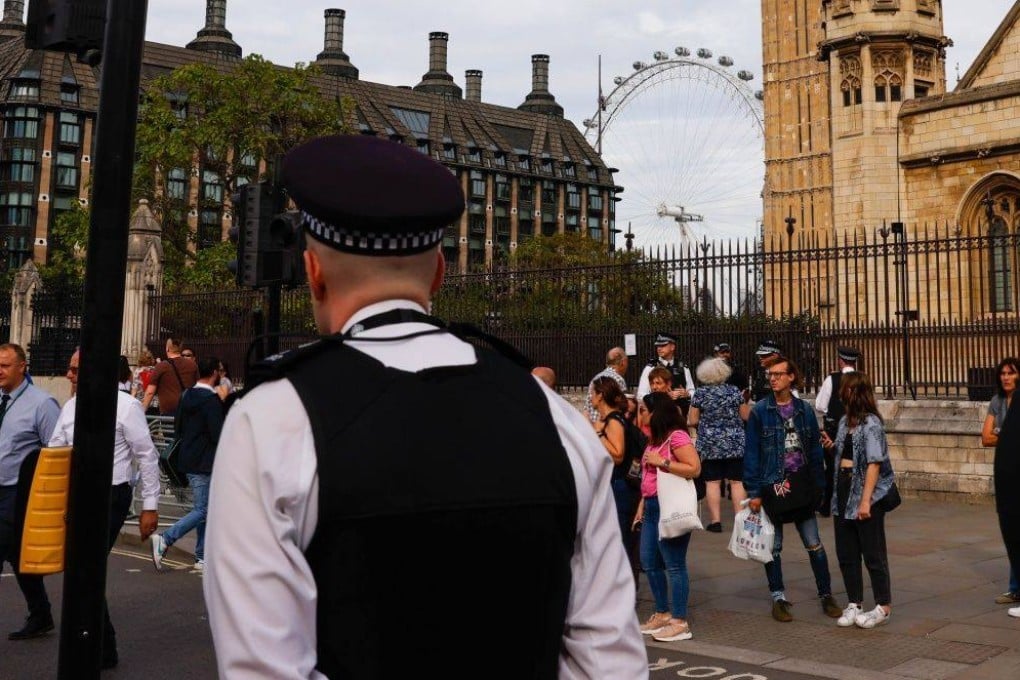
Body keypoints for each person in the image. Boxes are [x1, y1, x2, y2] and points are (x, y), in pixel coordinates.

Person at [203, 134, 645, 679]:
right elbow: (611, 662)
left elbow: (263, 670)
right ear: (439, 271)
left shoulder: (272, 420)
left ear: (313, 271)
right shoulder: (552, 417)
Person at [49, 349, 161, 668]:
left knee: (87, 566)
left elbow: (148, 456)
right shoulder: (70, 406)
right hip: (77, 497)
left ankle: (100, 646)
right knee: (82, 568)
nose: (69, 375)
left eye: (74, 369)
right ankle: (99, 644)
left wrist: (150, 507)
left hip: (111, 497)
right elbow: (57, 451)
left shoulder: (126, 408)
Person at [744, 355, 842, 623]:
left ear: (791, 377)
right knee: (773, 547)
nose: (773, 378)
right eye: (770, 375)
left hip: (800, 484)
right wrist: (753, 492)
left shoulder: (804, 410)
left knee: (814, 544)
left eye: (778, 374)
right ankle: (778, 598)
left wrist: (820, 486)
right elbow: (751, 453)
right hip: (771, 484)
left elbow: (813, 448)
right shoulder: (760, 411)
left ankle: (826, 595)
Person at [822, 372, 896, 629]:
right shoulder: (844, 422)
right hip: (842, 488)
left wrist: (866, 501)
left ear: (859, 392)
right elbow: (846, 455)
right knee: (847, 552)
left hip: (866, 491)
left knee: (873, 553)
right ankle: (855, 602)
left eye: (848, 390)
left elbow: (874, 463)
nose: (844, 395)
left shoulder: (871, 423)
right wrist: (833, 446)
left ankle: (883, 606)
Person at [0, 343, 60, 641]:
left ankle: (41, 614)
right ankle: (41, 613)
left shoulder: (42, 403)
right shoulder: (0, 399)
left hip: (18, 491)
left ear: (22, 366)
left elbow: (55, 450)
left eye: (5, 365)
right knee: (15, 553)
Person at [633, 392, 701, 643]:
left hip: (669, 506)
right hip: (651, 506)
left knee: (674, 564)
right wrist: (642, 503)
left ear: (656, 412)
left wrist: (662, 461)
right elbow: (648, 478)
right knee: (649, 561)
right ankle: (662, 612)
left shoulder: (676, 437)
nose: (639, 415)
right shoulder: (654, 439)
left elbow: (694, 468)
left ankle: (679, 621)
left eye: (643, 410)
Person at [151, 356, 225, 573]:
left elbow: (178, 426)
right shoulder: (211, 401)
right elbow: (218, 433)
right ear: (213, 374)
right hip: (205, 461)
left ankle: (201, 557)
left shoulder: (186, 395)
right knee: (203, 509)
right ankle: (165, 538)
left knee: (204, 508)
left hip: (187, 457)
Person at [688, 356, 749, 533]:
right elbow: (746, 416)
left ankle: (715, 521)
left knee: (712, 482)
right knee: (736, 482)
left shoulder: (700, 394)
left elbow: (692, 420)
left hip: (710, 443)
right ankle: (739, 520)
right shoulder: (734, 391)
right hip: (735, 442)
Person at [590, 376, 641, 574]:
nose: (591, 397)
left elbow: (618, 455)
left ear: (601, 396)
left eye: (593, 393)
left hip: (620, 485)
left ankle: (625, 584)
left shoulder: (614, 421)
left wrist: (598, 434)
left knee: (620, 536)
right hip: (614, 484)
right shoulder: (609, 420)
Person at [984, 357, 1020, 612]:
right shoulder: (997, 402)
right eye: (1003, 373)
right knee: (1010, 529)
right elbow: (985, 437)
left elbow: (995, 434)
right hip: (1006, 470)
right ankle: (1015, 588)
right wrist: (1006, 437)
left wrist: (1001, 433)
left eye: (1011, 373)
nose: (1006, 377)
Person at [816, 346, 861, 517]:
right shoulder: (861, 379)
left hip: (833, 430)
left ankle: (827, 504)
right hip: (856, 428)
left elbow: (820, 406)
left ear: (840, 360)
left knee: (832, 467)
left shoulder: (832, 379)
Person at [141, 337, 199, 416]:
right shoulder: (193, 365)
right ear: (180, 349)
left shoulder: (161, 366)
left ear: (167, 349)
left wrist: (142, 411)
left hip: (168, 411)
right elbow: (198, 387)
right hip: (188, 410)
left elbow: (150, 392)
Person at [636, 332, 695, 409]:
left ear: (672, 347)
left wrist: (687, 394)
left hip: (681, 415)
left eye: (663, 345)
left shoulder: (683, 367)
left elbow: (693, 391)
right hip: (660, 413)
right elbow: (641, 396)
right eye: (657, 346)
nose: (659, 348)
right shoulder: (651, 368)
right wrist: (664, 397)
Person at [585, 347, 628, 422]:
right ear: (623, 362)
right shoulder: (618, 380)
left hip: (592, 427)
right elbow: (623, 407)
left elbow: (587, 408)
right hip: (609, 426)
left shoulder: (596, 378)